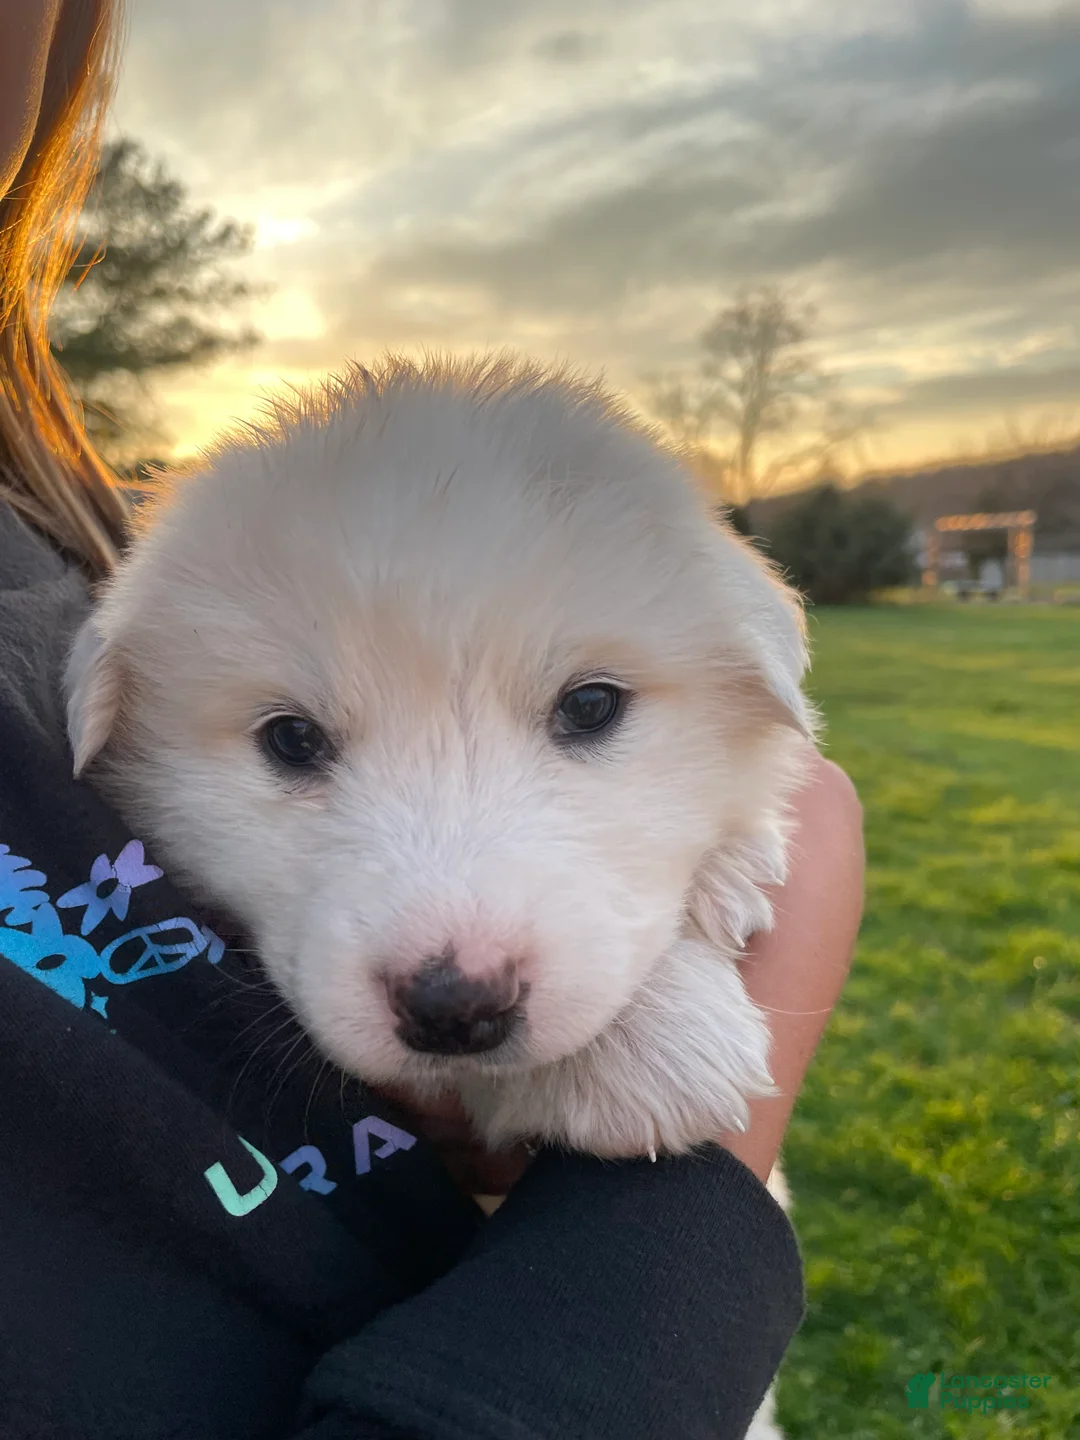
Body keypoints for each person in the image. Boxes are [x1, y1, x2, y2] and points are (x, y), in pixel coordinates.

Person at [0, 3, 865, 1437]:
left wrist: (726, 898)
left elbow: (776, 778)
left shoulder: (62, 545)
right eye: (295, 745)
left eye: (586, 710)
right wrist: (683, 1191)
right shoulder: (137, 632)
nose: (454, 961)